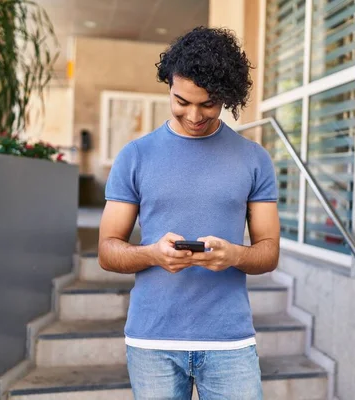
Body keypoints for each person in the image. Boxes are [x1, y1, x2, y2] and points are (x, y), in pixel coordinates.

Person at [98, 26, 280, 400]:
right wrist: (151, 254)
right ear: (169, 86)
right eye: (182, 101)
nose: (194, 115)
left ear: (226, 98)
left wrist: (235, 256)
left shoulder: (254, 159)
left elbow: (268, 252)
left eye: (208, 104)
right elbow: (107, 250)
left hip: (229, 341)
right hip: (153, 342)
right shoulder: (135, 156)